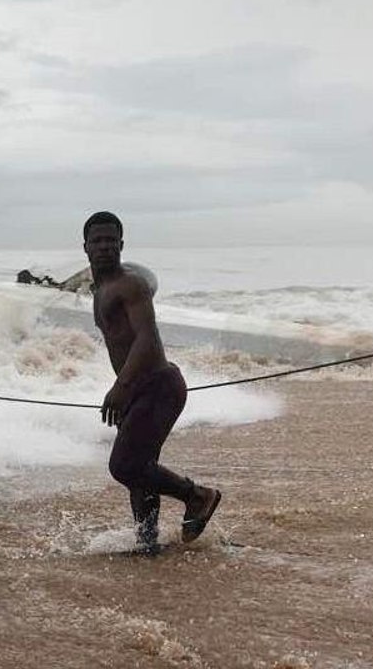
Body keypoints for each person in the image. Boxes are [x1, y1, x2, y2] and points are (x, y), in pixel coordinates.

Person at [83, 211, 222, 553]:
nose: (104, 247)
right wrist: (126, 389)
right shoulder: (99, 290)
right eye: (97, 241)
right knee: (139, 472)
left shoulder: (130, 285)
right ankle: (147, 543)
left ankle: (198, 496)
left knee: (124, 465)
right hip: (137, 390)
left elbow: (147, 337)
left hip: (158, 386)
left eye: (110, 241)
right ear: (85, 246)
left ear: (121, 245)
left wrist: (121, 386)